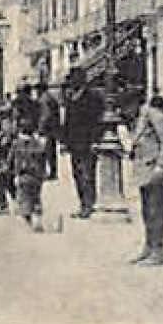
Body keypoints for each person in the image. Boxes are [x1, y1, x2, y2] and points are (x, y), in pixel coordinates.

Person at [127, 95, 163, 266]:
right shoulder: (140, 117)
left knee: (156, 211)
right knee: (146, 210)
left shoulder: (154, 115)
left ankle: (158, 251)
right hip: (144, 170)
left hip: (156, 169)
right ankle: (148, 247)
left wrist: (162, 165)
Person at [62, 69, 104, 219]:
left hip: (87, 142)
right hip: (74, 143)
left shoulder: (92, 97)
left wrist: (95, 141)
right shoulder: (70, 98)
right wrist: (64, 142)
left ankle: (88, 204)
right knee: (77, 175)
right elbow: (67, 122)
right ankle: (83, 203)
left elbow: (98, 121)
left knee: (87, 175)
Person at [11, 117, 49, 232]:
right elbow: (43, 159)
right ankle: (37, 218)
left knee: (24, 199)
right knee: (36, 197)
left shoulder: (17, 144)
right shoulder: (38, 144)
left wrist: (15, 174)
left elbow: (15, 161)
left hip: (23, 175)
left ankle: (30, 221)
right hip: (37, 175)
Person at [0, 113, 17, 215]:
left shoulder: (12, 137)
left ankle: (9, 204)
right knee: (3, 184)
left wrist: (8, 163)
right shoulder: (1, 135)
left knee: (8, 184)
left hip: (7, 163)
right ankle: (4, 205)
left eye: (6, 123)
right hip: (0, 163)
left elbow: (12, 152)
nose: (4, 125)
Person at [37, 83, 62, 180]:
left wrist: (41, 127)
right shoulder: (50, 98)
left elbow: (46, 115)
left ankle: (49, 172)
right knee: (51, 151)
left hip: (47, 130)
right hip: (53, 129)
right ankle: (53, 171)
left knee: (46, 151)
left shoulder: (44, 99)